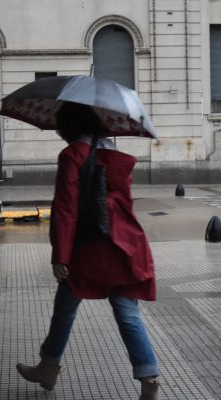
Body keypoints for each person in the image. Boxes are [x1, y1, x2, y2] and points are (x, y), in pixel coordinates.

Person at [16, 102, 160, 400]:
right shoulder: (114, 154)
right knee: (128, 313)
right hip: (126, 245)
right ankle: (148, 379)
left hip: (90, 248)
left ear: (69, 127)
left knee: (65, 307)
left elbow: (66, 208)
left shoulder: (73, 155)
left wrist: (61, 256)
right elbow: (124, 204)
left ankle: (48, 367)